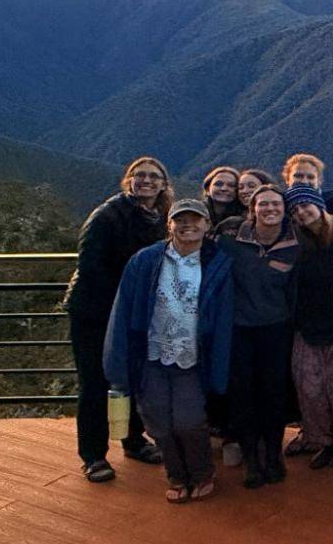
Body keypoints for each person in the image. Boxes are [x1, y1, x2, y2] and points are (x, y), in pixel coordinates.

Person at [102, 199, 233, 502]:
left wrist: (221, 365)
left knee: (188, 421)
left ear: (207, 225)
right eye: (180, 220)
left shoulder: (217, 263)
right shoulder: (145, 261)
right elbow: (123, 310)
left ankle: (200, 473)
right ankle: (176, 475)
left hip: (192, 355)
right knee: (158, 420)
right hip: (151, 353)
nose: (188, 226)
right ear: (169, 225)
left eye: (195, 220)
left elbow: (224, 318)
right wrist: (117, 363)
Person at [63, 156, 172, 482]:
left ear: (164, 184)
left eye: (154, 176)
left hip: (131, 314)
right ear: (128, 181)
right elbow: (91, 267)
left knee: (131, 379)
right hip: (95, 313)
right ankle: (93, 456)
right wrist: (124, 301)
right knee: (96, 382)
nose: (146, 181)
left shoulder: (159, 218)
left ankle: (133, 440)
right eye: (140, 176)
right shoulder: (108, 216)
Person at [224, 181, 301, 488]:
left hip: (276, 329)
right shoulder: (230, 239)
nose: (270, 209)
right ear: (252, 210)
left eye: (276, 204)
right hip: (239, 330)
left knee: (273, 395)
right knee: (243, 395)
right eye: (263, 204)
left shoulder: (296, 246)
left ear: (285, 211)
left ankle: (273, 454)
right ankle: (252, 460)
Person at [285, 185, 333, 470]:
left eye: (305, 205)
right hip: (308, 324)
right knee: (311, 388)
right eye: (294, 210)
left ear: (318, 204)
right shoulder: (295, 242)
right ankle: (322, 439)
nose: (301, 213)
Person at [282, 153, 333, 217]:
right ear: (287, 179)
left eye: (310, 177)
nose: (304, 181)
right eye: (298, 176)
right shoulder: (280, 205)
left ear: (319, 181)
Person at [202, 166, 245, 233]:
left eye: (231, 185)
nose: (224, 188)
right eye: (218, 184)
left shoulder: (245, 216)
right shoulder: (197, 212)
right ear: (207, 189)